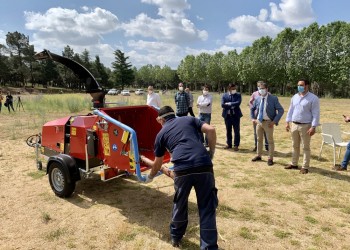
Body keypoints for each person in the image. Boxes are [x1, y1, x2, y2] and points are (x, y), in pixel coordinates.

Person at [140, 106, 218, 249]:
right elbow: (211, 130)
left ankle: (176, 237)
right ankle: (209, 247)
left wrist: (150, 177)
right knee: (207, 207)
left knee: (180, 203)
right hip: (204, 166)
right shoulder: (189, 119)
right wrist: (211, 153)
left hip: (182, 170)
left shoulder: (161, 134)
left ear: (161, 119)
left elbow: (158, 162)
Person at [285, 79, 320, 174]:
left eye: (301, 85)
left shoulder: (313, 98)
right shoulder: (295, 97)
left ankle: (305, 166)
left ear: (307, 86)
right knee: (294, 146)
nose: (299, 87)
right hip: (294, 125)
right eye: (298, 85)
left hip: (306, 126)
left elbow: (316, 114)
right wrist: (287, 122)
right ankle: (294, 163)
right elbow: (290, 110)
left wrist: (313, 127)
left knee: (306, 147)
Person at [250, 81, 284, 166]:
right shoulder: (257, 98)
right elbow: (252, 108)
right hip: (259, 122)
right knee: (259, 139)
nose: (261, 90)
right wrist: (253, 118)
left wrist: (274, 121)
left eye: (263, 88)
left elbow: (281, 110)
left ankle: (270, 158)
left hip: (268, 122)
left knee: (270, 141)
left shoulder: (273, 98)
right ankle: (259, 155)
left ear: (267, 89)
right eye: (260, 88)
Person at [221, 83, 243, 151]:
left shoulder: (238, 95)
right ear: (229, 89)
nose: (234, 90)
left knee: (236, 131)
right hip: (227, 116)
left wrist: (229, 103)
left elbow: (238, 103)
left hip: (235, 115)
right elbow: (222, 104)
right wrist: (232, 104)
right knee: (228, 130)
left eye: (235, 89)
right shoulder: (224, 95)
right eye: (233, 89)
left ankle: (236, 145)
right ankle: (229, 144)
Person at [249, 81, 269, 151]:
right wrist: (253, 110)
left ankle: (267, 145)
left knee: (266, 133)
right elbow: (250, 102)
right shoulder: (254, 94)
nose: (260, 88)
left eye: (261, 87)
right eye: (258, 87)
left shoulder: (268, 95)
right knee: (256, 132)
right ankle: (256, 146)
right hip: (256, 116)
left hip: (266, 118)